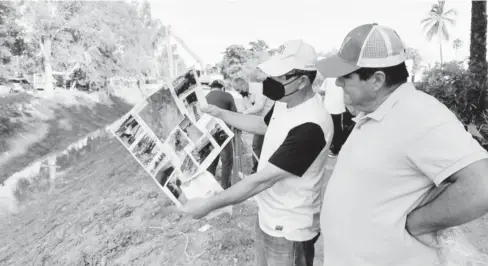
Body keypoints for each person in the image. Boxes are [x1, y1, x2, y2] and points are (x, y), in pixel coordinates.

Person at [316, 23, 488, 265]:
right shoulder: (375, 111)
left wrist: (417, 223)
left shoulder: (418, 114)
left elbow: (482, 186)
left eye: (346, 76)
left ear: (377, 79)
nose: (337, 83)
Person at [170, 39, 333, 266]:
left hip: (289, 229)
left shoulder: (312, 125)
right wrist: (219, 113)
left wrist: (208, 204)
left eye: (278, 78)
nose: (269, 82)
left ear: (303, 81)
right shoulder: (285, 102)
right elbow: (262, 125)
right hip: (267, 216)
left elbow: (260, 181)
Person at [233, 78, 274, 173]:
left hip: (270, 119)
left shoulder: (259, 88)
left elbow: (259, 107)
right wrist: (244, 97)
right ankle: (256, 168)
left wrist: (244, 112)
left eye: (238, 90)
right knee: (256, 145)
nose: (238, 93)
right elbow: (248, 109)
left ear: (243, 85)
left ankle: (267, 169)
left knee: (268, 145)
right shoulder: (244, 94)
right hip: (259, 121)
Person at [205, 79, 237, 189]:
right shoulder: (227, 95)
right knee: (227, 161)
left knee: (211, 162)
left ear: (211, 87)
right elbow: (234, 114)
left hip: (209, 133)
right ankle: (225, 187)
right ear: (222, 87)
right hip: (223, 134)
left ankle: (209, 187)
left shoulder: (205, 97)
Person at [320, 78, 355, 157]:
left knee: (336, 129)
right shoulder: (339, 79)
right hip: (335, 108)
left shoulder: (330, 79)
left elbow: (322, 91)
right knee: (336, 128)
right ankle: (334, 148)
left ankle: (335, 149)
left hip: (334, 108)